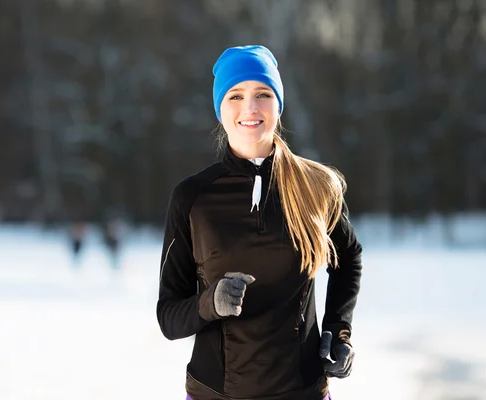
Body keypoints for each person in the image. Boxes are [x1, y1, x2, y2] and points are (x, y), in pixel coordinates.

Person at [156, 45, 363, 400]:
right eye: (236, 95)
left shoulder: (317, 186)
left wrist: (338, 330)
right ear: (220, 108)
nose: (250, 108)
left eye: (263, 94)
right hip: (214, 393)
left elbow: (349, 259)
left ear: (278, 105)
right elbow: (169, 318)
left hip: (303, 391)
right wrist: (210, 303)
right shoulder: (192, 197)